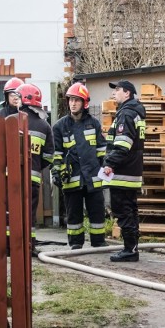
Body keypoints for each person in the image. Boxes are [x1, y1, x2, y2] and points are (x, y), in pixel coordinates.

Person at [51, 83, 108, 249]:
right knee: (74, 214)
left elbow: (101, 150)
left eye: (77, 100)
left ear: (85, 103)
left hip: (93, 178)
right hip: (72, 179)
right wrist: (56, 172)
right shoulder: (59, 126)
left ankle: (99, 242)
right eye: (71, 100)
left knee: (97, 212)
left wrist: (104, 168)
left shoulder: (94, 124)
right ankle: (76, 244)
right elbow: (57, 154)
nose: (73, 103)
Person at [102, 80, 146, 262]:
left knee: (123, 210)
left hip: (123, 173)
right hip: (132, 171)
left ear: (127, 93)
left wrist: (109, 163)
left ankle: (130, 250)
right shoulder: (134, 112)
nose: (114, 93)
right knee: (130, 210)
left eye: (117, 90)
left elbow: (122, 144)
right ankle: (132, 247)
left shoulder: (126, 114)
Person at [15, 83, 54, 251]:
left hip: (12, 177)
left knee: (12, 211)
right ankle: (29, 245)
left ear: (24, 100)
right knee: (29, 212)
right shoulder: (44, 126)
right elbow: (49, 156)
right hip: (33, 178)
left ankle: (11, 245)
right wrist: (36, 166)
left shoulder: (11, 121)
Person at [0, 77, 24, 149]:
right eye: (12, 95)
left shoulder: (28, 116)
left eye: (18, 95)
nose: (15, 98)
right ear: (7, 97)